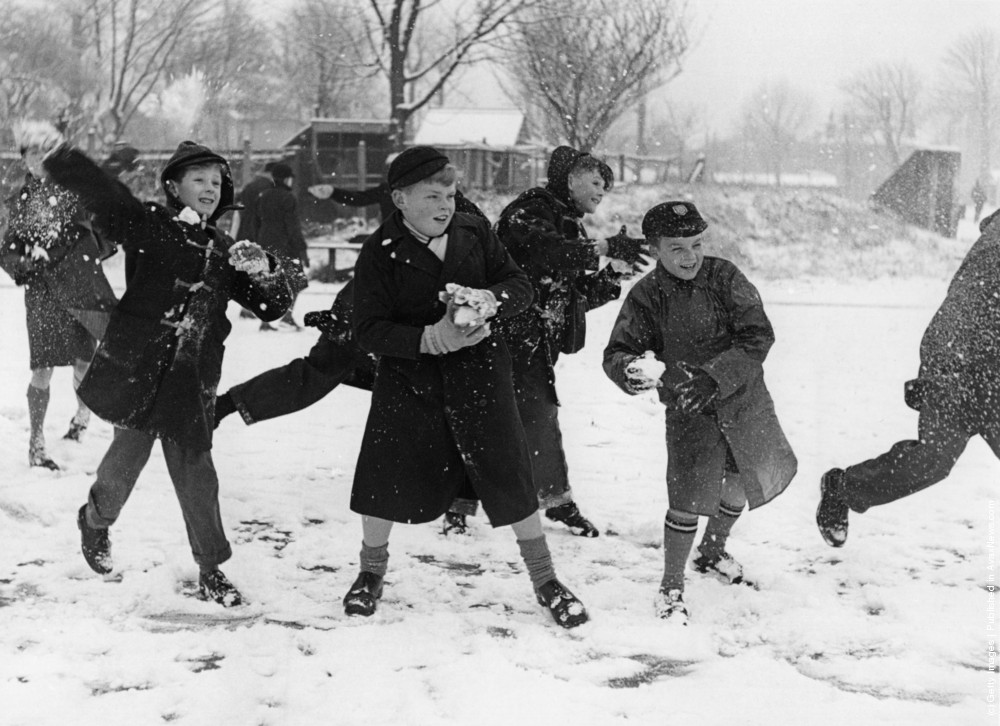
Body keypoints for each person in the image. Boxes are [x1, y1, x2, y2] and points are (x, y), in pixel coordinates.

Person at [41, 137, 296, 606]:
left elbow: (272, 306)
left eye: (216, 181)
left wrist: (266, 269)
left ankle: (211, 568)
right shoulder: (154, 226)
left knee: (196, 469)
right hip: (140, 366)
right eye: (197, 179)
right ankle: (95, 521)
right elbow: (110, 200)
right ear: (174, 187)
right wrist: (64, 159)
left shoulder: (226, 249)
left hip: (192, 375)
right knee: (126, 458)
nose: (209, 188)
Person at [345, 145, 589, 628]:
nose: (445, 205)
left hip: (480, 377)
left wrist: (490, 298)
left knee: (510, 475)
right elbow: (367, 329)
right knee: (384, 478)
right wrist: (428, 338)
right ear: (400, 199)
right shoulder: (380, 251)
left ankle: (546, 580)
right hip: (410, 382)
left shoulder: (474, 232)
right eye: (432, 196)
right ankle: (370, 574)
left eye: (451, 194)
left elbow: (521, 286)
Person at [603, 201, 797, 624]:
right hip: (690, 408)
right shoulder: (646, 296)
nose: (690, 256)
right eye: (677, 248)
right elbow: (617, 352)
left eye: (697, 244)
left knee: (743, 478)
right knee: (688, 496)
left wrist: (716, 375)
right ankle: (671, 586)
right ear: (656, 249)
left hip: (744, 400)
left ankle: (712, 551)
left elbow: (757, 334)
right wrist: (630, 371)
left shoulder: (725, 277)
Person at [463, 145, 647, 538]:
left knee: (527, 416)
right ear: (568, 177)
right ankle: (469, 501)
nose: (602, 191)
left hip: (536, 342)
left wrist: (613, 272)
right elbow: (547, 252)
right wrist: (603, 248)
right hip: (503, 333)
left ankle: (542, 499)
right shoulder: (528, 210)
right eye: (596, 181)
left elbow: (575, 293)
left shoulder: (570, 223)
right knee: (503, 416)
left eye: (606, 185)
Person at [817, 209, 1000, 549]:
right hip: (958, 369)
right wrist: (939, 373)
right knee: (931, 461)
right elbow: (960, 311)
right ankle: (841, 488)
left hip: (989, 371)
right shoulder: (994, 250)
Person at [0, 123, 118, 470]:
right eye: (30, 153)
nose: (37, 160)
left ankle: (82, 416)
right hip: (42, 294)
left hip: (79, 290)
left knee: (85, 362)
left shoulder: (75, 193)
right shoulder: (17, 196)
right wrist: (26, 261)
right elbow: (7, 247)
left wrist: (69, 252)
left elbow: (100, 235)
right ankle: (36, 442)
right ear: (23, 159)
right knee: (43, 367)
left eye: (43, 153)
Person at [255, 162, 309, 330]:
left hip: (265, 244)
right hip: (286, 245)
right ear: (286, 179)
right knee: (295, 281)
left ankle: (264, 319)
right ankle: (287, 316)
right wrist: (302, 248)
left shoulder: (263, 196)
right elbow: (292, 226)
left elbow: (256, 221)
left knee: (268, 282)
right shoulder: (288, 197)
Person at [231, 160, 275, 243]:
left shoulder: (250, 186)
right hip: (260, 234)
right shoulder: (269, 188)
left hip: (245, 232)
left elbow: (238, 201)